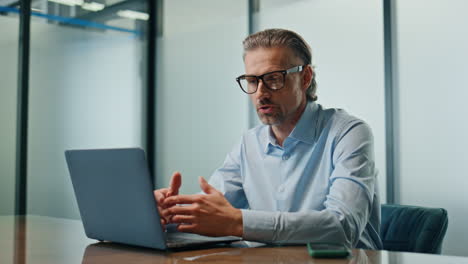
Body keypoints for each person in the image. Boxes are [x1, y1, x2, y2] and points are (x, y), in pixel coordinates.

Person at [154, 28, 383, 249]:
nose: (260, 93)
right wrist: (167, 211)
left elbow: (343, 228)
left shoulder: (349, 133)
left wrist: (238, 222)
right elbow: (213, 212)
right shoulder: (248, 144)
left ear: (305, 78)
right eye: (252, 81)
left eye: (273, 78)